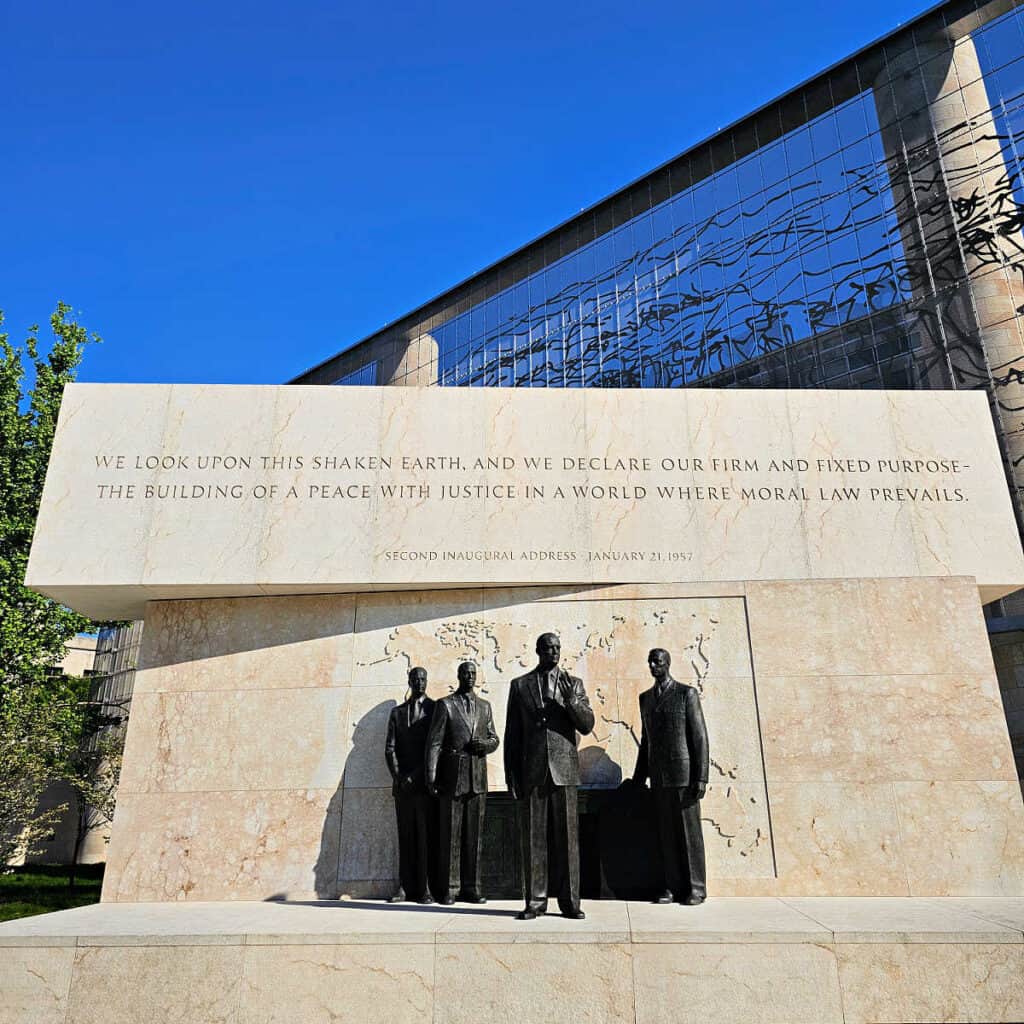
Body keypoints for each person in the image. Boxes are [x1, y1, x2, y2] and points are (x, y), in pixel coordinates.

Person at [504, 632, 594, 920]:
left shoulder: (573, 684)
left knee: (568, 841)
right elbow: (512, 736)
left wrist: (571, 703)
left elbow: (587, 725)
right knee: (534, 840)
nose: (554, 652)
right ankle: (535, 902)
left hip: (565, 772)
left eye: (557, 647)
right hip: (532, 772)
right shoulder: (520, 686)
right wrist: (512, 776)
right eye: (548, 648)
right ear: (538, 650)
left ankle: (570, 902)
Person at [629, 648, 709, 905]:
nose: (654, 665)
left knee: (689, 834)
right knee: (666, 836)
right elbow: (646, 741)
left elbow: (699, 737)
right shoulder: (645, 699)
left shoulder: (686, 694)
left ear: (668, 663)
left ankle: (696, 887)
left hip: (684, 777)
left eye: (658, 661)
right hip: (659, 778)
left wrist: (702, 776)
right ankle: (671, 887)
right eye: (650, 661)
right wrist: (639, 778)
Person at [425, 661, 499, 904]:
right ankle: (450, 888)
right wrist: (431, 776)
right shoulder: (445, 705)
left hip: (477, 777)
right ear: (458, 676)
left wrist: (487, 745)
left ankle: (472, 887)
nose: (469, 677)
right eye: (465, 673)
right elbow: (434, 743)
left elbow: (494, 738)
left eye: (473, 673)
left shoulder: (485, 706)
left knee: (474, 837)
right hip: (452, 778)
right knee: (451, 835)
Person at [384, 666, 437, 904]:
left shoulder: (435, 709)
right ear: (409, 681)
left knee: (427, 838)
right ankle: (404, 887)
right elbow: (390, 748)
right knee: (405, 837)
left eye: (423, 679)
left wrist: (416, 775)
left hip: (425, 785)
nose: (419, 682)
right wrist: (398, 777)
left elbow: (435, 747)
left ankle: (425, 888)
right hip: (402, 787)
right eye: (415, 679)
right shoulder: (397, 713)